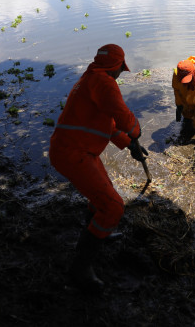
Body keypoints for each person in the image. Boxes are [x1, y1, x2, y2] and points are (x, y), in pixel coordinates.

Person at [49, 43, 148, 291]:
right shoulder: (104, 82)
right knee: (114, 206)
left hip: (76, 151)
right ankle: (80, 269)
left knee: (101, 199)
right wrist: (136, 130)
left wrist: (129, 144)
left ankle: (94, 234)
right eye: (120, 70)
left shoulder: (90, 79)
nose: (119, 75)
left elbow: (108, 123)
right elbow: (122, 115)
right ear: (116, 67)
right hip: (73, 154)